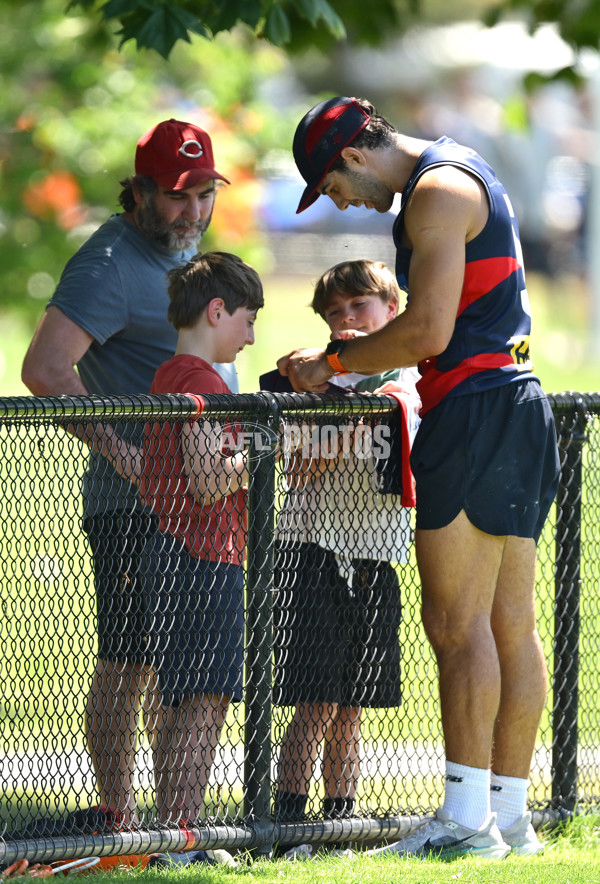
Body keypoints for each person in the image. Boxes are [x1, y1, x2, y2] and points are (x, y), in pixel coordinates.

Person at [277, 96, 560, 859]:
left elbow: (427, 330)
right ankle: (511, 821)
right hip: (518, 402)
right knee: (509, 626)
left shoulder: (434, 191)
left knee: (454, 625)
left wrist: (328, 363)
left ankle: (466, 824)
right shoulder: (465, 169)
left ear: (355, 155)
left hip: (471, 408)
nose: (339, 201)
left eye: (331, 184)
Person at [20, 117, 237, 824]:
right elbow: (45, 369)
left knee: (184, 669)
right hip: (132, 502)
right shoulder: (109, 262)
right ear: (139, 191)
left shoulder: (184, 257)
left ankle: (170, 821)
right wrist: (127, 454)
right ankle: (117, 815)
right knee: (132, 660)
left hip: (196, 505)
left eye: (204, 193)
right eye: (177, 196)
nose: (192, 211)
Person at [270, 259, 420, 860]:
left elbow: (406, 415)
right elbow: (299, 463)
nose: (347, 319)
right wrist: (345, 416)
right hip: (313, 547)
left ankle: (340, 819)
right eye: (335, 312)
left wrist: (365, 408)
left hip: (375, 553)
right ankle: (284, 818)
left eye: (360, 306)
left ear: (392, 312)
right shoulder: (312, 382)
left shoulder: (408, 379)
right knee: (315, 698)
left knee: (354, 702)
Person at [138, 251, 263, 829]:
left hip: (170, 552)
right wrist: (266, 447)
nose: (251, 336)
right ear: (217, 311)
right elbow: (209, 479)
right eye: (247, 319)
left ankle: (173, 826)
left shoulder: (169, 373)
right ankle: (183, 829)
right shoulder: (201, 380)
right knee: (204, 700)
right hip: (203, 555)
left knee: (180, 697)